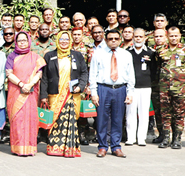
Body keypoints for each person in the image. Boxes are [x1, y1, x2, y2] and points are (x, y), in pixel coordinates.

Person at [40, 31, 89, 157]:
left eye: (67, 39)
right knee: (55, 120)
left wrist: (81, 87)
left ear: (70, 40)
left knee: (71, 121)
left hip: (72, 94)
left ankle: (69, 149)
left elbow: (84, 73)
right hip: (54, 94)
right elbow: (44, 77)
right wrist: (43, 96)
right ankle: (54, 148)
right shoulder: (49, 55)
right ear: (57, 40)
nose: (64, 41)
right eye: (61, 39)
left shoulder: (77, 55)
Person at [89, 29, 134, 158]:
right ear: (106, 40)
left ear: (120, 40)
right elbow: (93, 74)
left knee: (118, 119)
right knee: (102, 119)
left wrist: (130, 92)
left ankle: (116, 146)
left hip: (120, 89)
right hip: (104, 88)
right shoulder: (98, 54)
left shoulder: (126, 55)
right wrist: (94, 92)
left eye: (116, 38)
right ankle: (102, 146)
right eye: (110, 39)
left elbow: (131, 75)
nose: (113, 41)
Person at [5, 32, 45, 156]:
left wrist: (30, 85)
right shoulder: (12, 56)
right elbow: (9, 73)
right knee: (17, 119)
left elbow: (39, 73)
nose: (22, 42)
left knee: (30, 118)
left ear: (29, 41)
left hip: (31, 92)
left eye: (24, 40)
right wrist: (22, 84)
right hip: (16, 91)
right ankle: (17, 148)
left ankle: (30, 148)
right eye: (20, 40)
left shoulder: (36, 57)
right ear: (16, 42)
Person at [155, 26, 185, 149]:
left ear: (180, 36)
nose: (173, 38)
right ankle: (165, 138)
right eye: (171, 36)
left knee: (179, 114)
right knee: (165, 114)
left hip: (181, 88)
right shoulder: (160, 50)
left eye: (176, 35)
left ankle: (177, 139)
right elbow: (158, 66)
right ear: (167, 36)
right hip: (164, 88)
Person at [126, 28, 156, 146]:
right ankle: (130, 137)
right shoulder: (127, 52)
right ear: (133, 37)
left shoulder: (150, 52)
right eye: (136, 36)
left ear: (145, 38)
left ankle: (141, 138)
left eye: (140, 36)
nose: (138, 39)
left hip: (145, 86)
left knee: (144, 113)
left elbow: (153, 70)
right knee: (130, 112)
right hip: (131, 87)